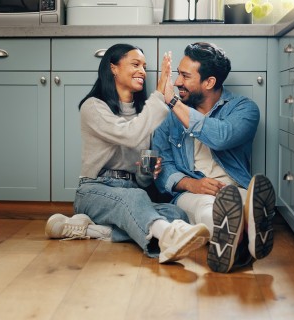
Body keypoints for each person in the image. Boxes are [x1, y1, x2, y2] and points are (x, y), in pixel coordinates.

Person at [45, 43, 210, 263]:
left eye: (144, 66)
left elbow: (141, 180)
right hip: (95, 190)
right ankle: (166, 238)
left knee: (177, 215)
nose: (142, 71)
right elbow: (130, 135)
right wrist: (160, 96)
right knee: (136, 199)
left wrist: (147, 171)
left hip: (132, 191)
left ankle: (93, 231)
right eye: (135, 64)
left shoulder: (145, 114)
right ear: (113, 68)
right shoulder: (93, 107)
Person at [152, 42, 276, 273]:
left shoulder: (244, 109)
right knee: (206, 206)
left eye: (185, 76)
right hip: (191, 192)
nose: (177, 82)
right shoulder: (169, 117)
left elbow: (221, 137)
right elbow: (161, 168)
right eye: (178, 74)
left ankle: (244, 231)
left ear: (209, 82)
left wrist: (172, 101)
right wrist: (192, 184)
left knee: (240, 201)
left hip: (232, 187)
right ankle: (242, 241)